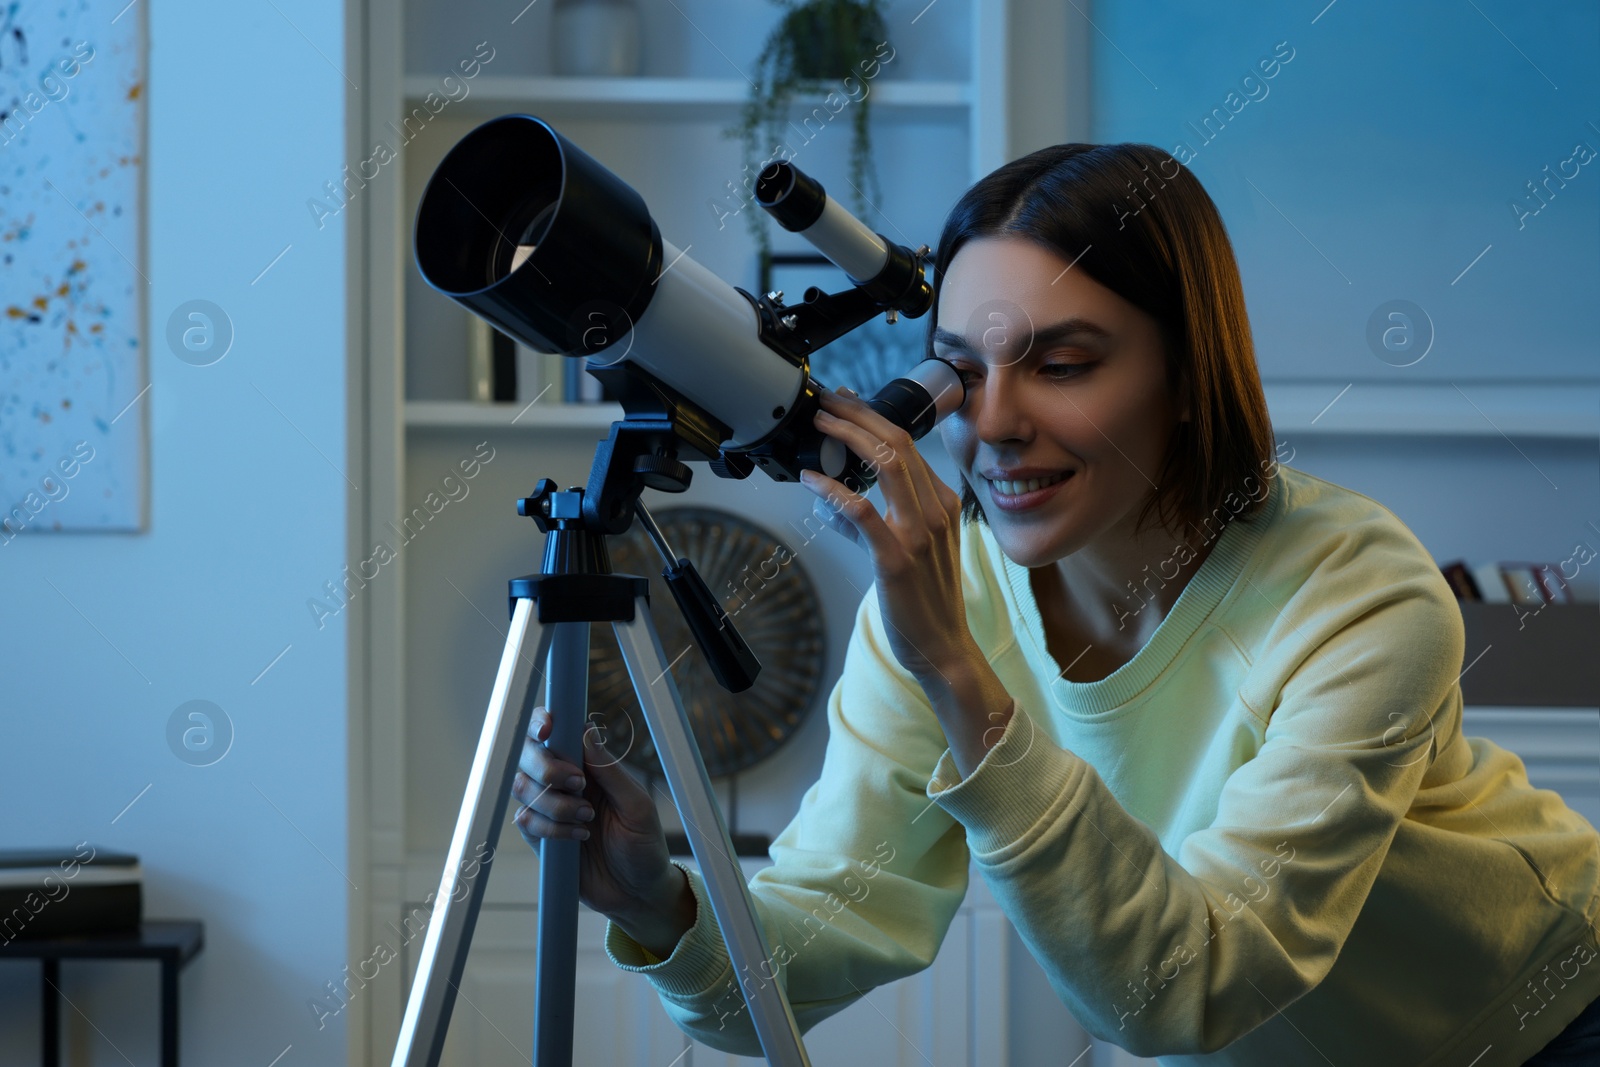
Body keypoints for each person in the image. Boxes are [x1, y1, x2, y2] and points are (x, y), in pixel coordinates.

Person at [509, 143, 1600, 1065]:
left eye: (1063, 363)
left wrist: (956, 671)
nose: (994, 424)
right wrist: (662, 907)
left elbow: (1188, 986)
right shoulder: (953, 598)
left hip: (1529, 1018)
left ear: (1186, 373)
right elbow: (832, 919)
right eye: (956, 373)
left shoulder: (1359, 593)